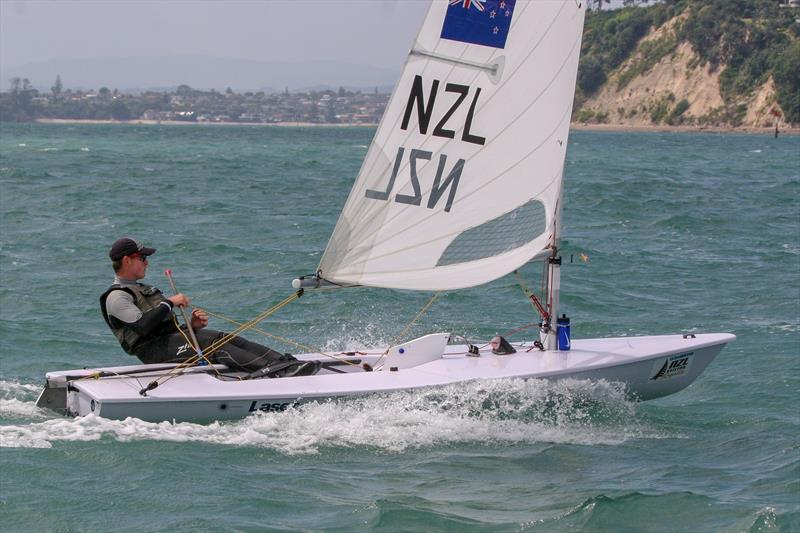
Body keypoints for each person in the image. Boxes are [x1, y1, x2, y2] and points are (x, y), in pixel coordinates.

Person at [99, 236, 315, 377]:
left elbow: (162, 327)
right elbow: (143, 326)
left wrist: (191, 326)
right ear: (127, 260)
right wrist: (169, 302)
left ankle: (283, 363)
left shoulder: (139, 288)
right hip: (154, 352)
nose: (147, 262)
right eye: (143, 258)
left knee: (223, 337)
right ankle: (273, 372)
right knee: (213, 345)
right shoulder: (117, 297)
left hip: (170, 342)